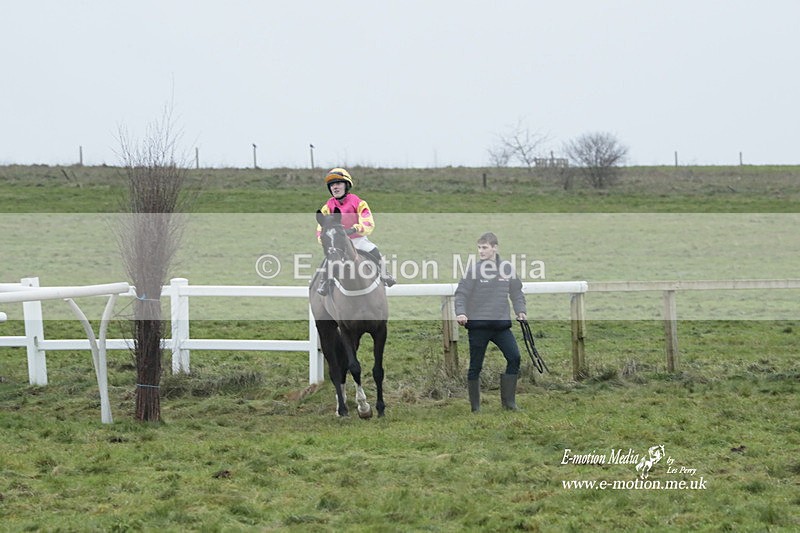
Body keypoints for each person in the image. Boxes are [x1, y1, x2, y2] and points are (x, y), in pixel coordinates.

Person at [454, 232, 527, 412]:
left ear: (495, 248)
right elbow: (461, 294)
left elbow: (517, 293)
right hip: (478, 327)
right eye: (479, 247)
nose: (481, 251)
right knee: (475, 366)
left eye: (484, 247)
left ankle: (509, 403)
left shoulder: (507, 269)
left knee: (514, 357)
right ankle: (476, 408)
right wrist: (461, 313)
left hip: (501, 326)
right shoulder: (473, 270)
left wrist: (521, 311)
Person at [315, 167, 396, 295]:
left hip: (358, 239)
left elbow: (368, 222)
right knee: (329, 258)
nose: (334, 187)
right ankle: (324, 282)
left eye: (338, 183)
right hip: (338, 242)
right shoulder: (327, 207)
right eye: (332, 185)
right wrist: (323, 238)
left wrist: (354, 229)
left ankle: (385, 274)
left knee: (374, 250)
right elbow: (321, 228)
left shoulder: (358, 203)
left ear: (346, 185)